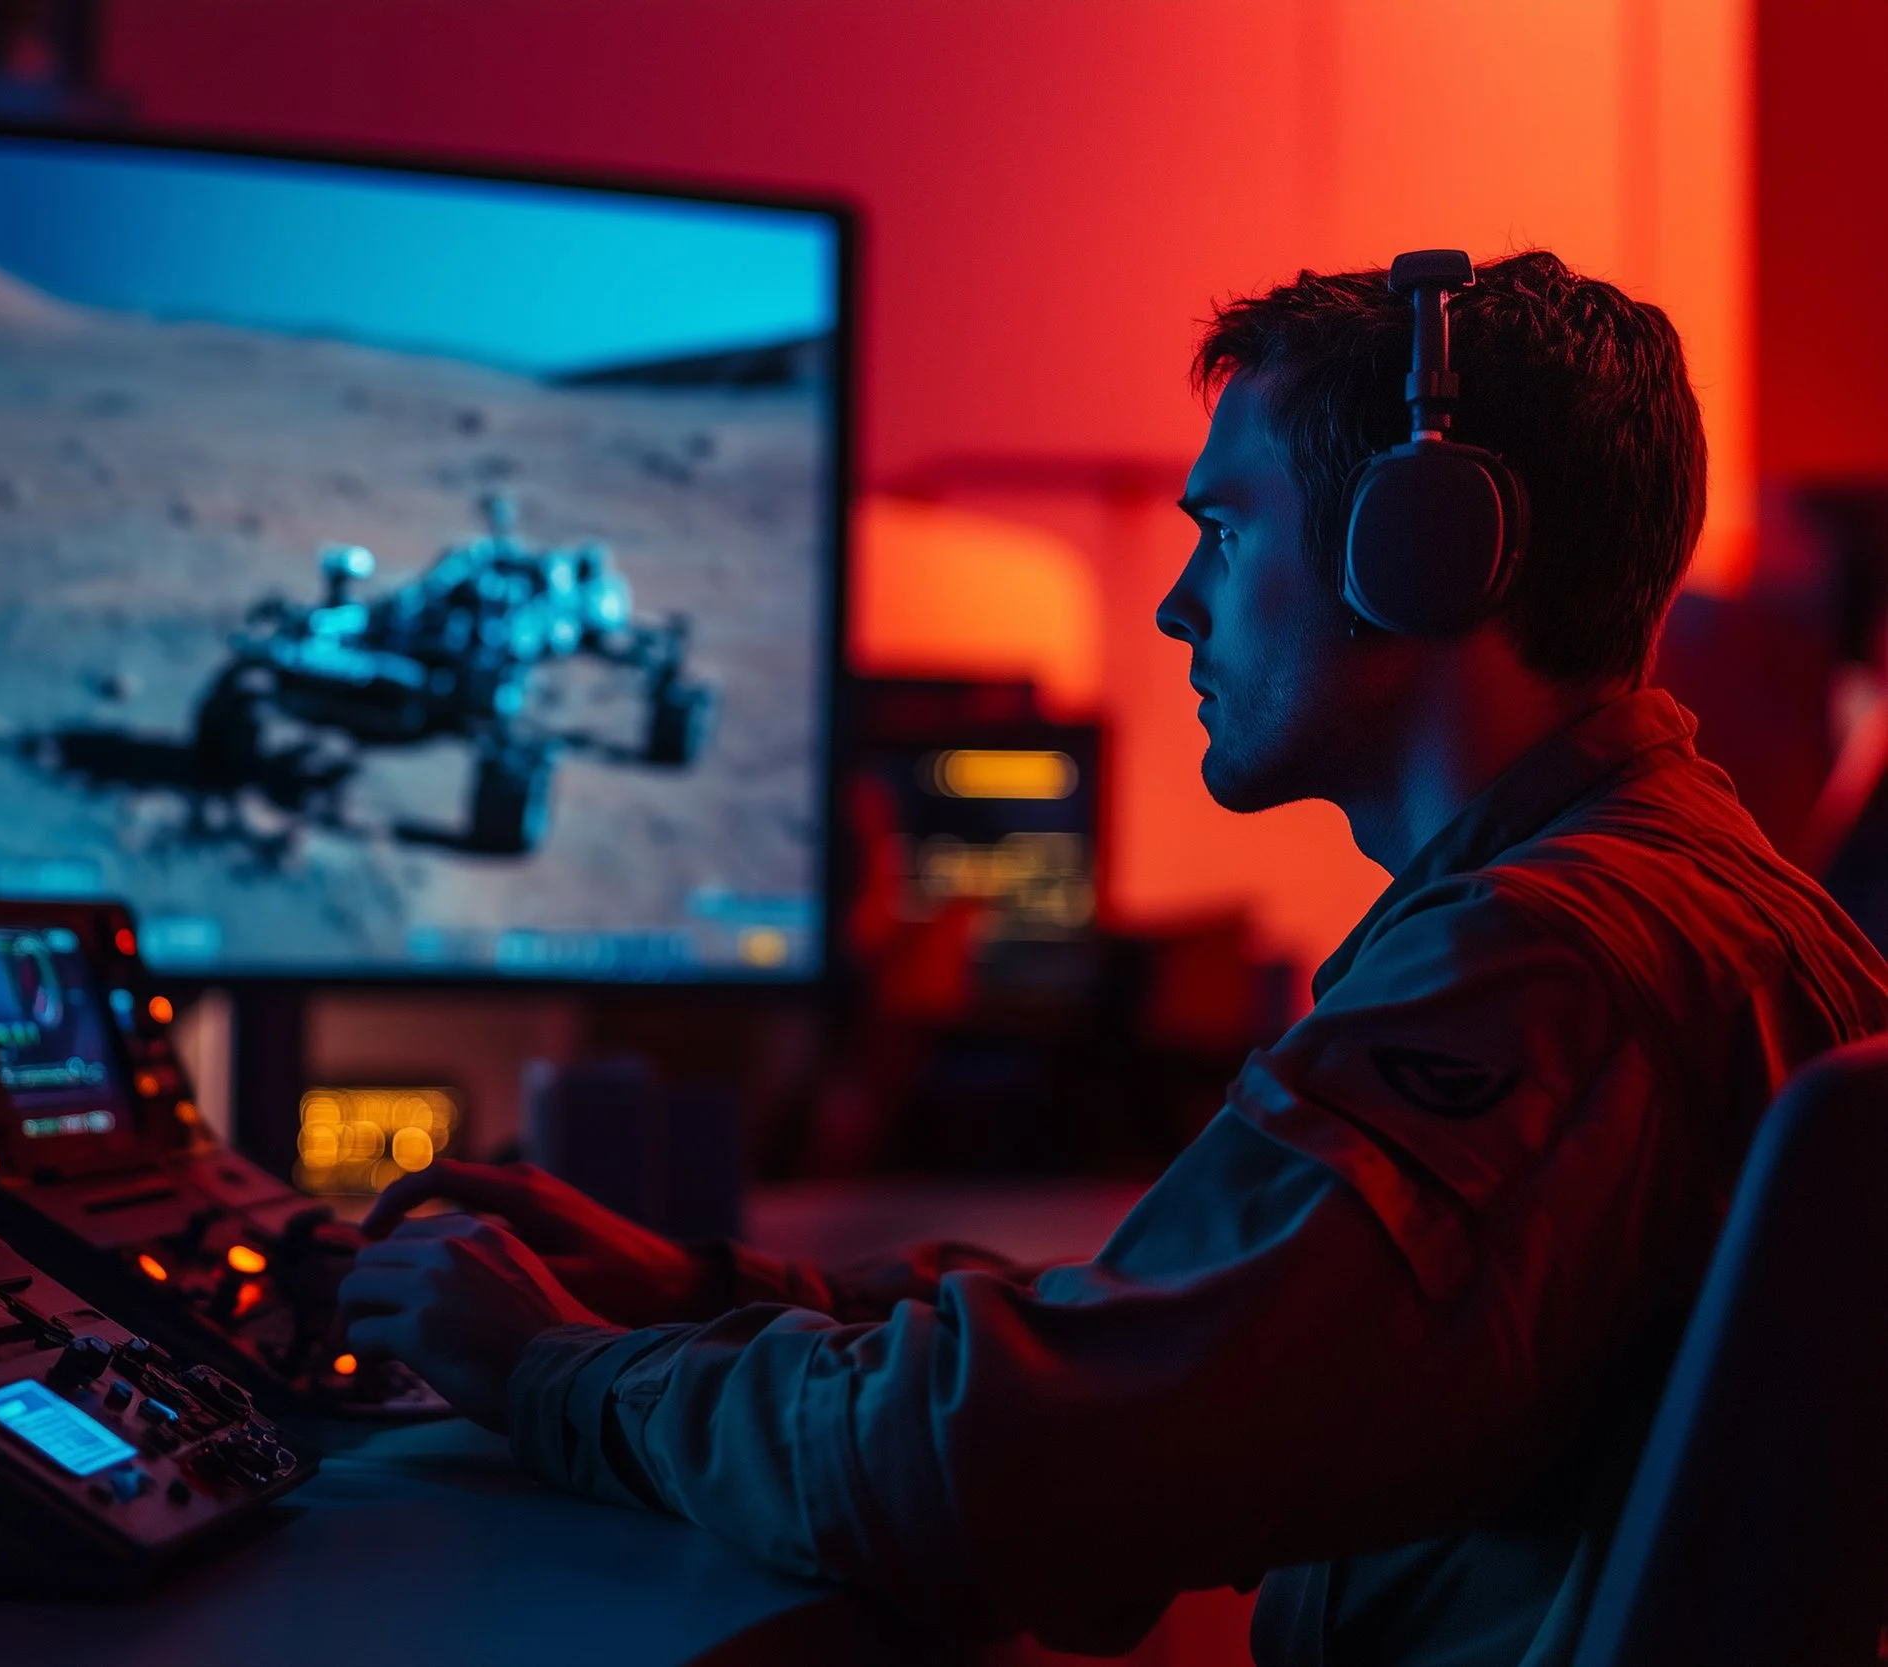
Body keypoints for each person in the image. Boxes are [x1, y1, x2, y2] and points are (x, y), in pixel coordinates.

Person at [337, 251, 1888, 1665]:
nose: (1174, 600)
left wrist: (551, 1370)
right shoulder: (1700, 909)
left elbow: (989, 1467)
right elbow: (1144, 1333)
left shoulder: (1537, 973)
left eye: (1224, 526)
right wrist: (701, 1286)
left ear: (1418, 554)